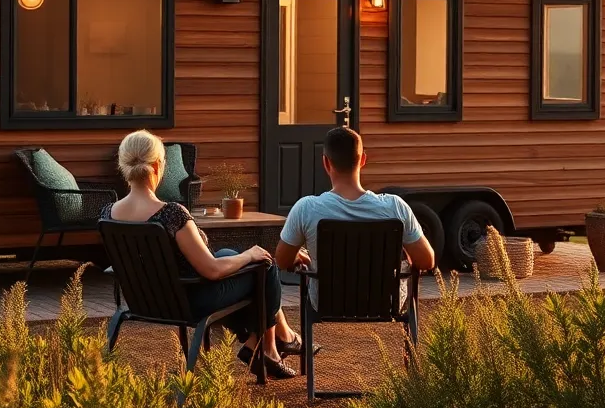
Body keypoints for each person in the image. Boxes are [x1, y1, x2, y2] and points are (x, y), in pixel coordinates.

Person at [101, 130, 306, 379]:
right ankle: (265, 345)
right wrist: (249, 255)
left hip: (143, 301)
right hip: (190, 301)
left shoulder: (108, 214)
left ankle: (266, 342)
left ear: (123, 164)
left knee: (228, 253)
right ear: (156, 166)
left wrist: (239, 257)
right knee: (265, 265)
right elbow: (212, 270)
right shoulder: (171, 214)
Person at [275, 126, 436, 308]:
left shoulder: (306, 208)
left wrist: (298, 255)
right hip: (385, 303)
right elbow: (427, 261)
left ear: (326, 163)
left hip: (328, 303)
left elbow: (282, 261)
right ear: (363, 160)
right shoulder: (395, 207)